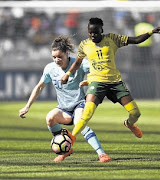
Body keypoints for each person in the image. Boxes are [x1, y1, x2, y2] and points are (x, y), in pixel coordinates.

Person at [61, 17, 160, 141]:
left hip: (115, 82)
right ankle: (70, 140)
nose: (92, 35)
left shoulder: (112, 39)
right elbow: (77, 63)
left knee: (135, 113)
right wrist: (67, 74)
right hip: (97, 83)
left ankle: (129, 124)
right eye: (90, 32)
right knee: (87, 113)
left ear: (101, 30)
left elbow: (136, 40)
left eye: (95, 32)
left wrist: (151, 32)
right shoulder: (84, 44)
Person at [19, 35, 111, 163]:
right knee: (50, 118)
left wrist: (90, 79)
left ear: (67, 53)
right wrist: (27, 106)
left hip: (79, 104)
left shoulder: (78, 63)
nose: (56, 60)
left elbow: (97, 70)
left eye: (59, 57)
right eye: (54, 57)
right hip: (64, 108)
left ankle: (102, 154)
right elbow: (39, 87)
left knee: (80, 123)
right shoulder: (50, 69)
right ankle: (66, 149)